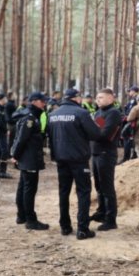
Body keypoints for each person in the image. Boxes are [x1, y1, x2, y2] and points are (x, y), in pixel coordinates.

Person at [48, 88, 101, 240]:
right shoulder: (81, 113)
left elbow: (50, 137)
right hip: (78, 159)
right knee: (83, 192)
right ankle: (83, 229)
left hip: (61, 159)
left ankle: (65, 226)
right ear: (76, 98)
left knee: (63, 192)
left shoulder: (53, 115)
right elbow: (95, 134)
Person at [11, 92, 49, 230]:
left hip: (28, 157)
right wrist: (15, 155)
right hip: (29, 158)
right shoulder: (30, 118)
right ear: (34, 101)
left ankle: (21, 215)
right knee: (29, 189)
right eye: (42, 101)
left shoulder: (32, 115)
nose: (44, 103)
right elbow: (21, 138)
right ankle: (30, 220)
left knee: (23, 187)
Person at [89, 89, 123, 231]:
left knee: (107, 187)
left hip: (106, 153)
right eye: (97, 97)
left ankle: (111, 219)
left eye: (101, 97)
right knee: (98, 186)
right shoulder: (98, 113)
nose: (98, 99)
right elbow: (97, 131)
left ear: (111, 98)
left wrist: (90, 130)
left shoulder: (114, 113)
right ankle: (101, 211)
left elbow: (105, 134)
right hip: (95, 153)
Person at [0, 93, 12, 179]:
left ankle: (2, 170)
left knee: (3, 151)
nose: (6, 100)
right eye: (5, 98)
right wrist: (5, 130)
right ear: (2, 99)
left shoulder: (3, 108)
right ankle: (1, 171)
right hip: (0, 133)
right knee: (3, 151)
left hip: (3, 133)